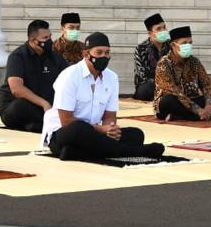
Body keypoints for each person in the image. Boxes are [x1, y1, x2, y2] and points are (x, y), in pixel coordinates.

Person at [42, 32, 165, 161]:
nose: (104, 56)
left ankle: (76, 153)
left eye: (107, 53)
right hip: (64, 133)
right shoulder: (69, 76)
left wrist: (110, 130)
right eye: (99, 52)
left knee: (136, 135)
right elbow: (66, 121)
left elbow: (110, 117)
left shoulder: (111, 77)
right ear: (86, 54)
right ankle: (133, 152)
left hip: (94, 133)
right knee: (79, 128)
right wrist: (101, 130)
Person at [0, 19, 69, 132]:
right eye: (45, 38)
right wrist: (44, 103)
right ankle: (52, 124)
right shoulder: (17, 56)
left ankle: (41, 125)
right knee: (20, 106)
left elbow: (68, 77)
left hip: (46, 107)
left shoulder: (54, 56)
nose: (49, 41)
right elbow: (16, 89)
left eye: (50, 37)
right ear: (33, 40)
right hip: (21, 107)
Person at [153, 26, 211, 122]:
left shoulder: (194, 61)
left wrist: (209, 105)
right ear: (173, 45)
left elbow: (207, 85)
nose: (188, 45)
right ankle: (197, 116)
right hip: (174, 101)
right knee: (168, 101)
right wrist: (198, 110)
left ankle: (181, 116)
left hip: (192, 99)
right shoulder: (164, 63)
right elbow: (173, 91)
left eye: (190, 43)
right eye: (184, 43)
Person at [133, 13, 170, 101]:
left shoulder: (171, 46)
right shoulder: (141, 49)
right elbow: (144, 75)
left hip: (170, 85)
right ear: (150, 33)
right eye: (158, 29)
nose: (163, 30)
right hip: (150, 86)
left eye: (164, 27)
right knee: (148, 87)